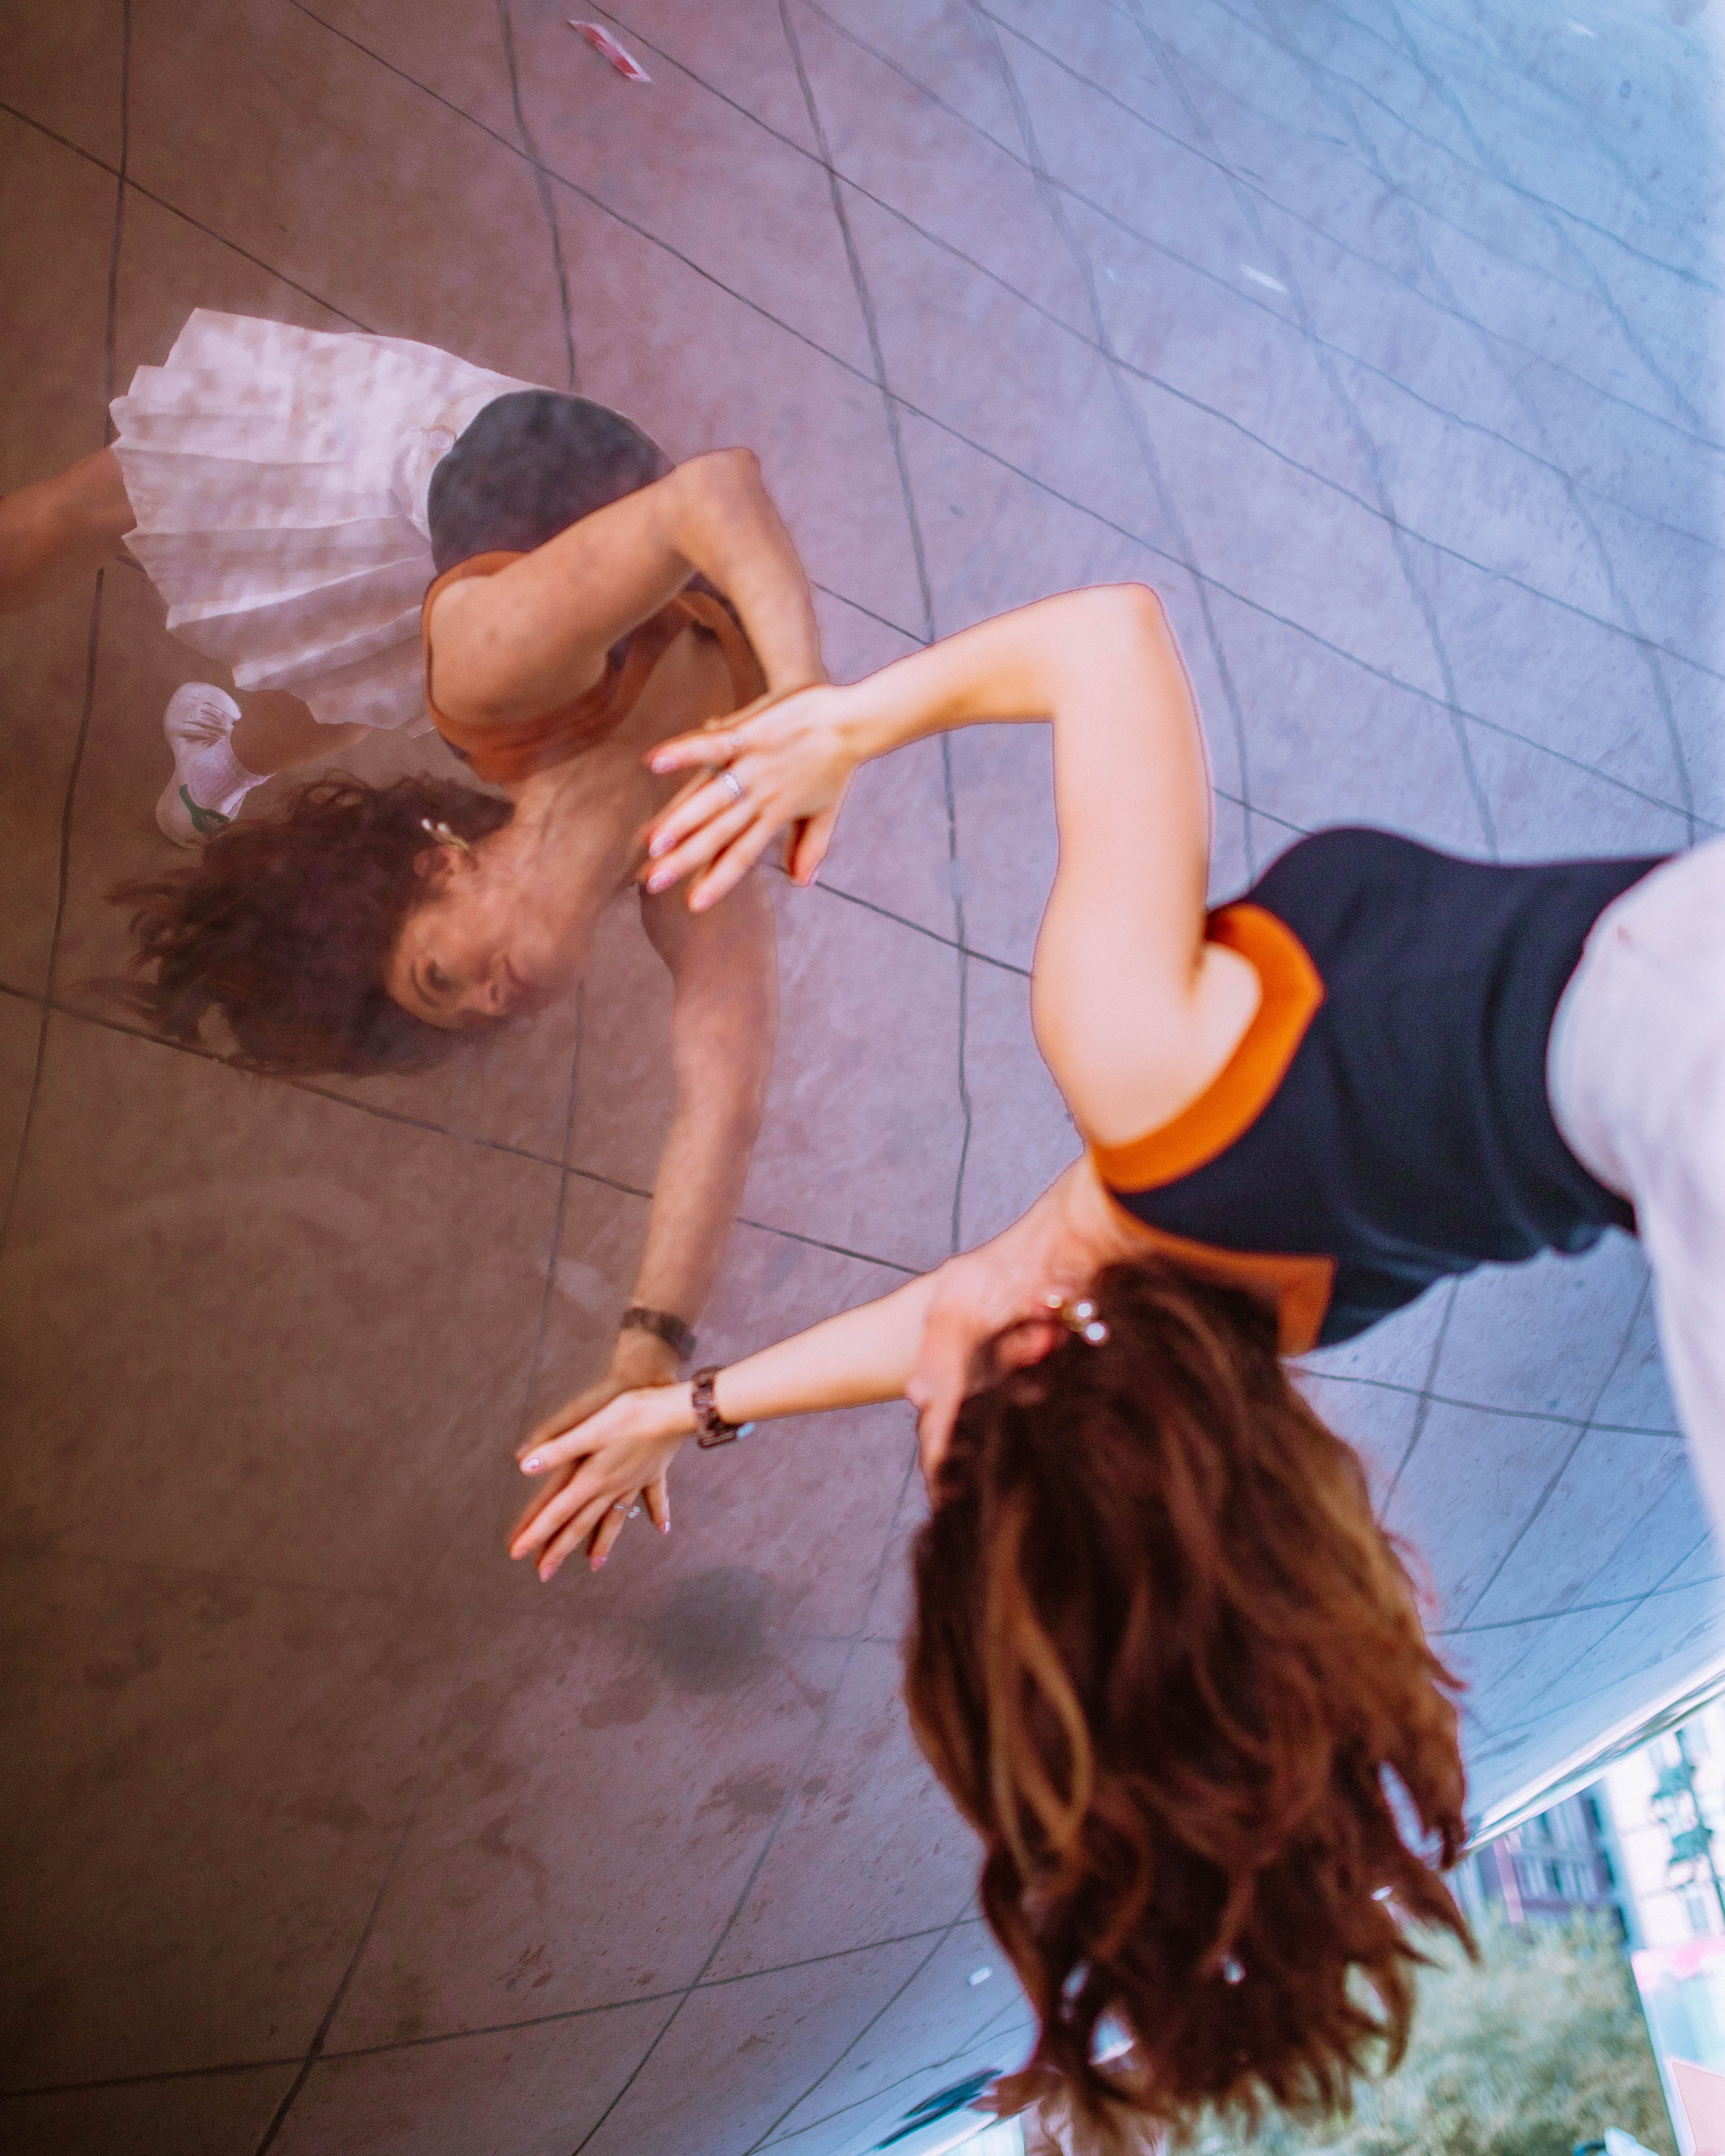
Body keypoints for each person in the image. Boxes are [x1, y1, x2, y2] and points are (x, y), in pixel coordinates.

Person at [508, 583, 1718, 2139]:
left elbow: (968, 1296)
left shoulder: (1248, 1293)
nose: (924, 1423)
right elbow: (1107, 639)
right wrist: (846, 729)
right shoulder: (1143, 1062)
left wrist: (690, 1406)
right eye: (945, 1466)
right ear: (1024, 1371)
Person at [0, 308, 831, 1432]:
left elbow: (714, 495)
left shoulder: (502, 688)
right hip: (540, 559)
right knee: (354, 662)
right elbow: (726, 1102)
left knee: (93, 510)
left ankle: (217, 770)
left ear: (442, 869)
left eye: (445, 978)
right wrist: (650, 1352)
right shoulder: (696, 862)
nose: (497, 1001)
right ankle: (215, 776)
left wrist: (806, 710)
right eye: (474, 1015)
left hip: (415, 452)